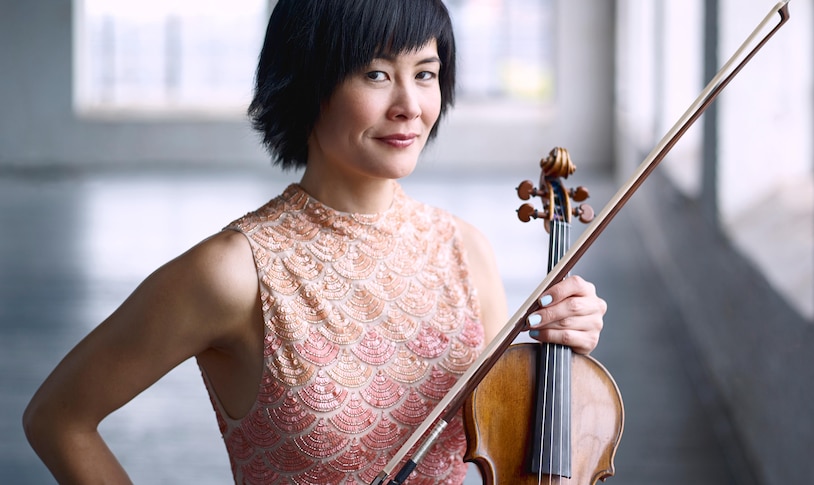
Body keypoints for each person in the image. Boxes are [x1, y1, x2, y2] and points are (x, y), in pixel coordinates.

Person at [23, 0, 607, 483]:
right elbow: (58, 417)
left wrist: (561, 351)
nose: (409, 106)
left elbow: (507, 452)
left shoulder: (466, 251)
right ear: (310, 82)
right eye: (376, 73)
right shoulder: (235, 271)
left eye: (424, 73)